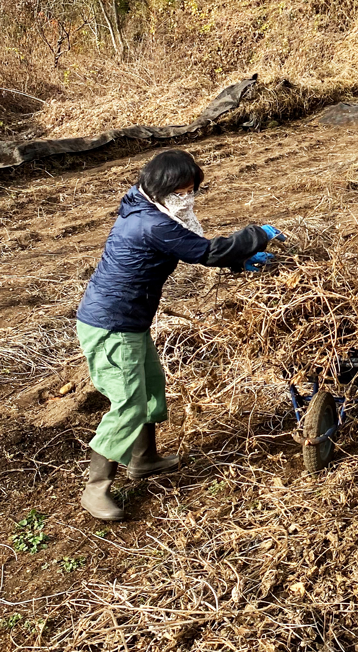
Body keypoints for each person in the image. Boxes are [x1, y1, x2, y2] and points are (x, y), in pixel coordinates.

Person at [76, 148, 286, 521]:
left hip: (130, 319)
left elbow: (198, 250)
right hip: (111, 324)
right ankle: (95, 489)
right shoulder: (151, 223)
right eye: (182, 191)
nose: (187, 199)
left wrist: (240, 260)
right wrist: (256, 235)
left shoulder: (146, 207)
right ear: (162, 187)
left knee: (151, 387)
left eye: (191, 191)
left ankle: (143, 459)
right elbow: (204, 252)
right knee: (129, 402)